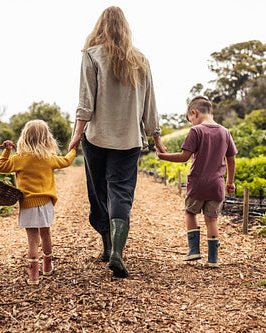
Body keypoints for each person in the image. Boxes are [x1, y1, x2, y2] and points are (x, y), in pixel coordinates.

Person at [68, 6, 166, 278]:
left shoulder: (91, 55)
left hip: (97, 138)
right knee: (121, 192)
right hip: (129, 140)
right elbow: (150, 103)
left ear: (100, 26)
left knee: (99, 192)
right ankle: (117, 252)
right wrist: (155, 136)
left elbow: (85, 100)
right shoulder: (141, 60)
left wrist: (77, 134)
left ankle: (108, 245)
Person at [155, 96, 237, 267]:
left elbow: (184, 157)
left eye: (190, 119)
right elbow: (231, 159)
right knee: (212, 220)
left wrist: (162, 156)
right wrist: (229, 181)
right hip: (217, 185)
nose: (192, 122)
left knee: (190, 213)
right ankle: (213, 259)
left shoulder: (196, 131)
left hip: (198, 183)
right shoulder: (225, 132)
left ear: (195, 113)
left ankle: (194, 250)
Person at [0, 120, 76, 284]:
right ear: (47, 139)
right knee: (45, 233)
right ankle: (47, 266)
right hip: (45, 203)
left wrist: (7, 151)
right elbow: (66, 161)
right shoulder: (48, 158)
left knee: (32, 241)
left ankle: (33, 276)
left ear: (24, 138)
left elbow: (2, 167)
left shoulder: (20, 159)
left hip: (27, 204)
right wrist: (74, 150)